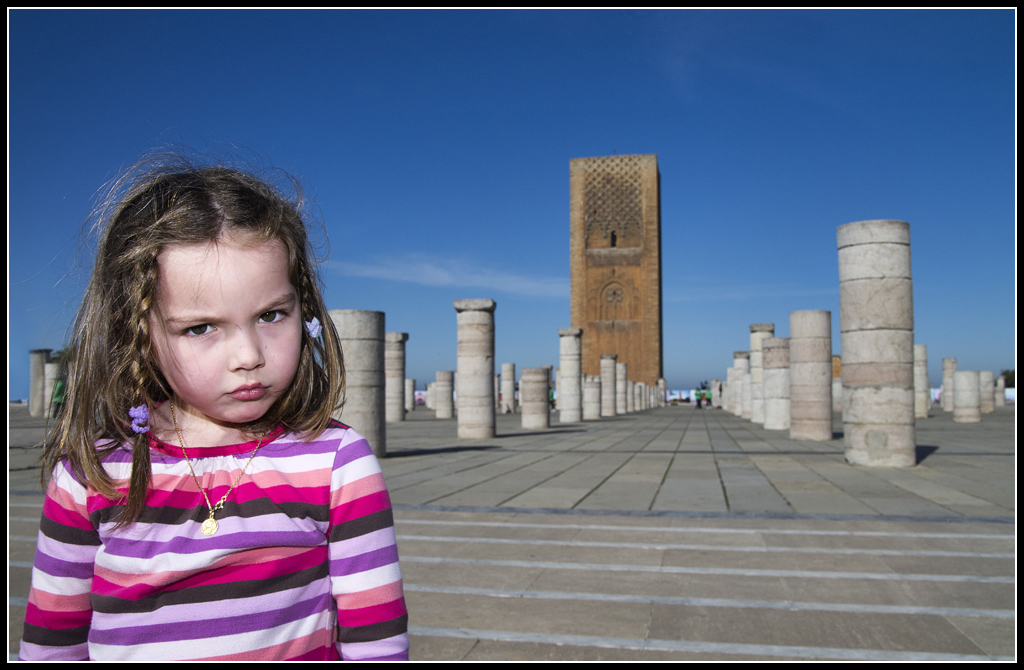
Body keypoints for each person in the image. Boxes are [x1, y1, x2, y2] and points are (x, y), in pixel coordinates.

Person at [20, 155, 409, 661]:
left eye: (271, 315)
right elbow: (52, 644)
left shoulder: (337, 462)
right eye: (201, 327)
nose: (248, 355)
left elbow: (377, 644)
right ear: (137, 331)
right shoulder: (89, 475)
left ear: (303, 307)